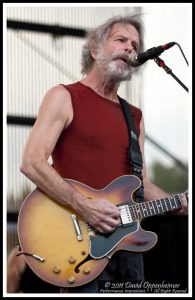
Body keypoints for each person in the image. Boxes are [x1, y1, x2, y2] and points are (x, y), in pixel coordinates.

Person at [19, 14, 188, 293]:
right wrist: (83, 205)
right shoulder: (64, 96)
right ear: (95, 50)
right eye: (121, 40)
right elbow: (32, 162)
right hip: (78, 244)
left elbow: (140, 184)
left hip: (129, 248)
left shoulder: (134, 116)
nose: (130, 48)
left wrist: (180, 201)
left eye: (134, 45)